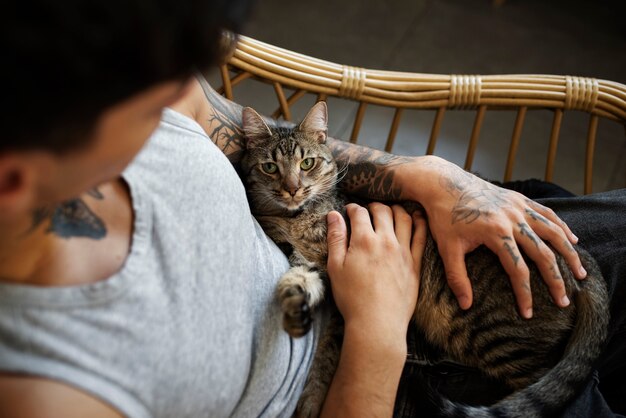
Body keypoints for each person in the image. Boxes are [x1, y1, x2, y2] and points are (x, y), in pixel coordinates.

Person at [0, 1, 623, 417]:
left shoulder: (84, 74)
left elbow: (245, 130)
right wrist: (379, 328)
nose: (171, 107)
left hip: (395, 247)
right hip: (404, 372)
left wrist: (421, 174)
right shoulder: (53, 389)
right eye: (144, 113)